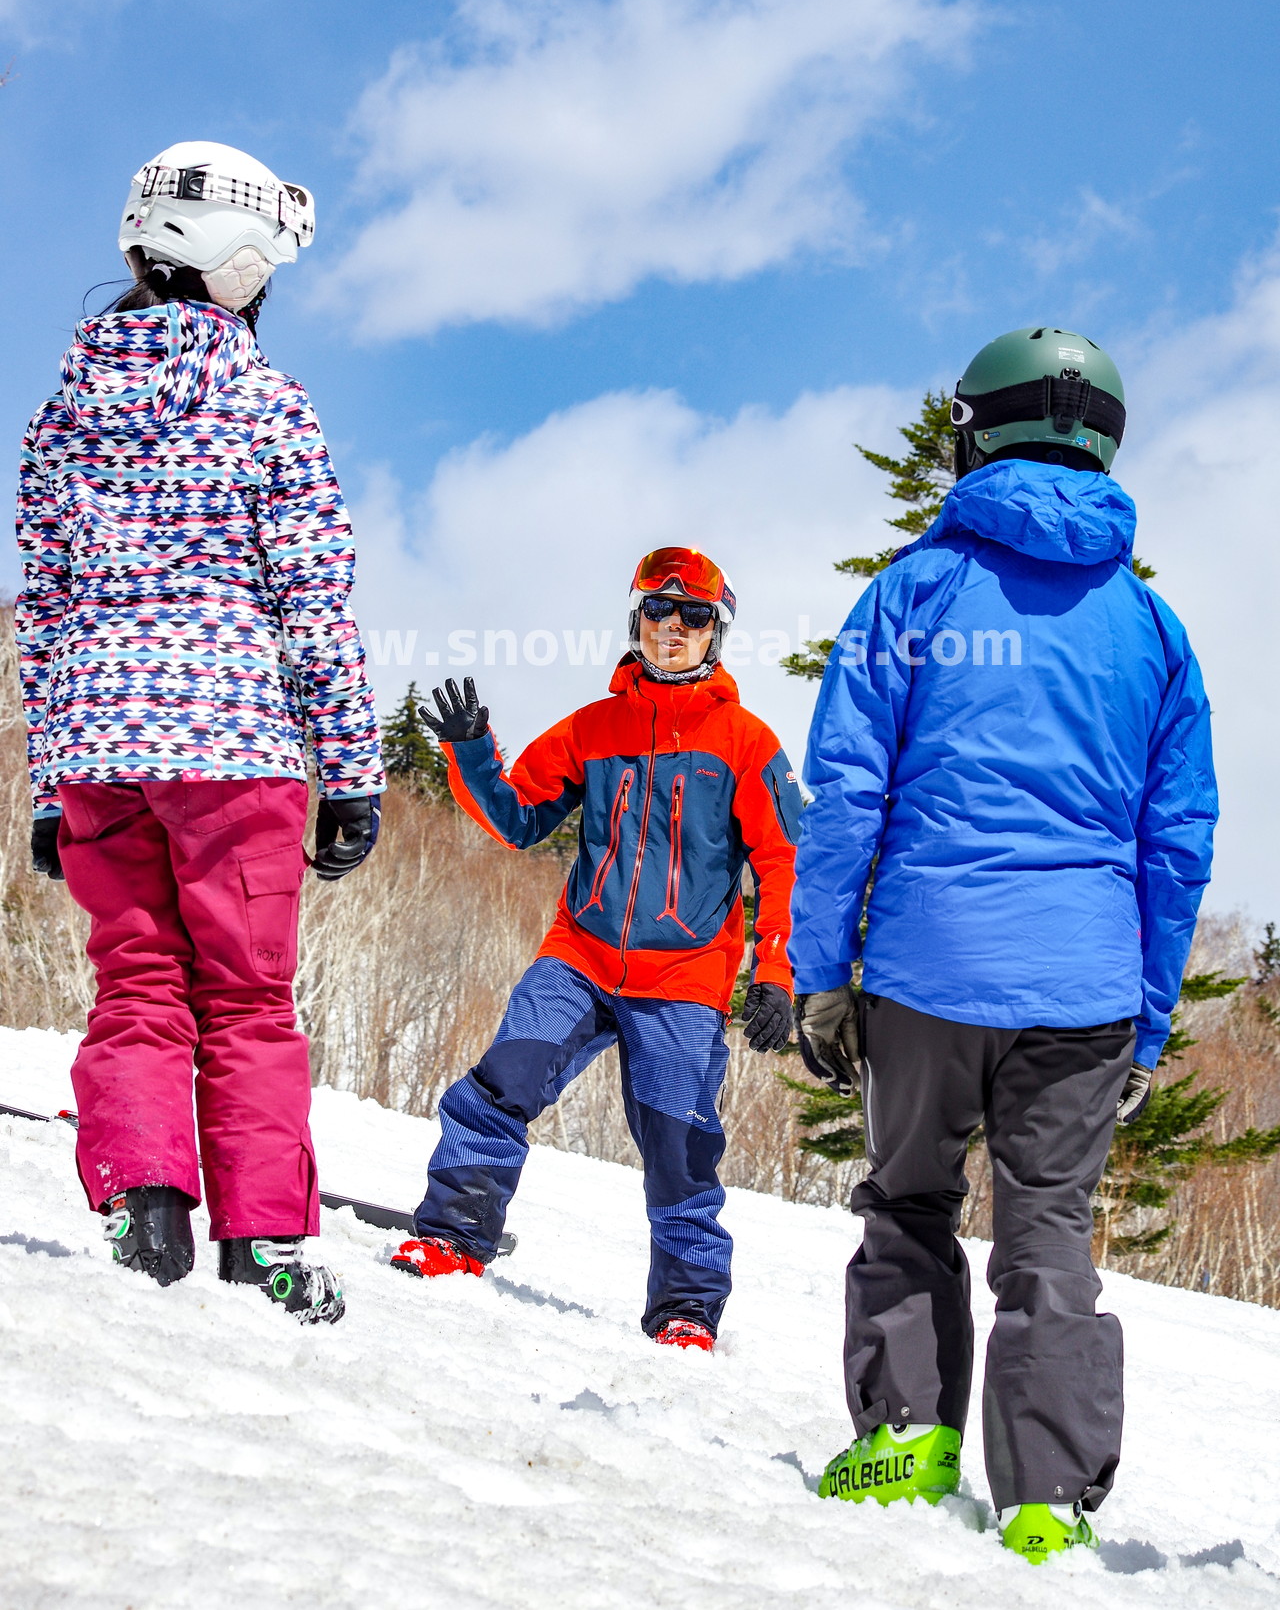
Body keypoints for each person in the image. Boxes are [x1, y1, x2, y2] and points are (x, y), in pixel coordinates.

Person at [789, 328, 1217, 1562]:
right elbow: (1175, 836)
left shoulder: (913, 591)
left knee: (908, 1199)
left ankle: (903, 1441)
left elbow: (846, 792)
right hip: (1081, 986)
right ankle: (1042, 1497)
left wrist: (823, 974)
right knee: (1048, 1230)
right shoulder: (1149, 625)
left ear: (972, 431)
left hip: (926, 969)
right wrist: (1145, 1014)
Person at [15, 141, 385, 1324]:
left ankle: (145, 1204)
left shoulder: (63, 408)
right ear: (238, 266)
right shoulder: (268, 401)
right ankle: (265, 1242)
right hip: (234, 746)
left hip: (99, 747)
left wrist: (45, 786)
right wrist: (350, 772)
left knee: (133, 983)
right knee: (245, 996)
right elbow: (313, 600)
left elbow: (45, 603)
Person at [391, 547, 802, 1349]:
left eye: (694, 617)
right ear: (636, 622)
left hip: (684, 974)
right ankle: (453, 1234)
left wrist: (775, 970)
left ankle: (685, 1307)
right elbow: (517, 818)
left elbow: (788, 860)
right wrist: (472, 752)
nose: (673, 628)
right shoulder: (594, 727)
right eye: (659, 611)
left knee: (678, 1143)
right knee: (503, 1079)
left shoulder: (747, 742)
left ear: (716, 632)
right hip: (580, 953)